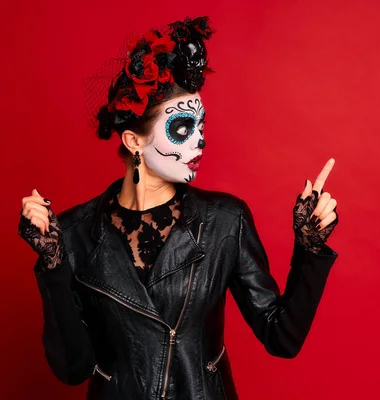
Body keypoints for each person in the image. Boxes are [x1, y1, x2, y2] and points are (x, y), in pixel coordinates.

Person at [18, 16, 339, 400]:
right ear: (134, 142)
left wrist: (310, 247)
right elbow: (72, 370)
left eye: (201, 127)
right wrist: (53, 266)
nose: (199, 143)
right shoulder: (71, 233)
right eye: (183, 128)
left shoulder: (225, 221)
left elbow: (281, 337)